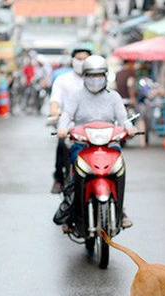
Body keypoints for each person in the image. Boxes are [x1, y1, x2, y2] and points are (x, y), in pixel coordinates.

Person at [57, 55, 136, 232]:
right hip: (83, 144)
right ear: (84, 75)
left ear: (105, 76)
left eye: (99, 75)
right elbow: (66, 115)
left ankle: (120, 209)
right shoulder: (76, 96)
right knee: (75, 169)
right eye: (91, 75)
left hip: (109, 144)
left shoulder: (113, 97)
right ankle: (72, 211)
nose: (95, 79)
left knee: (119, 167)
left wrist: (129, 129)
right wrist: (62, 128)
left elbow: (124, 119)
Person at [48, 47, 92, 194]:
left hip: (95, 128)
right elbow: (55, 101)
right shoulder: (63, 80)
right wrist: (56, 111)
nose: (82, 62)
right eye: (78, 59)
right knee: (62, 144)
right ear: (72, 60)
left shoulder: (96, 80)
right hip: (69, 126)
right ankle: (59, 178)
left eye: (85, 59)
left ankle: (119, 207)